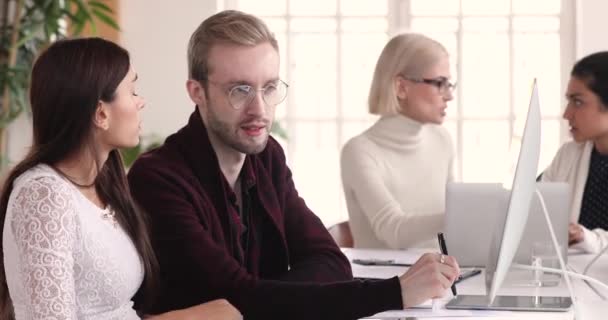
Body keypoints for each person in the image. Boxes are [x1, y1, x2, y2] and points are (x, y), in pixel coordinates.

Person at [127, 10, 460, 320]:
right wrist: (395, 292)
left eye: (269, 87)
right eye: (239, 90)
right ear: (197, 92)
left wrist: (268, 296)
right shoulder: (157, 179)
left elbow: (331, 262)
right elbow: (237, 300)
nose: (259, 109)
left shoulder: (266, 156)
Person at [0, 38, 241, 320]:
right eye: (133, 90)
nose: (141, 102)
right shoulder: (44, 195)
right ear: (101, 113)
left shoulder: (105, 187)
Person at [340, 33, 455, 250]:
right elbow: (393, 231)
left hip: (438, 276)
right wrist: (465, 215)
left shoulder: (442, 141)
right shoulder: (359, 152)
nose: (449, 95)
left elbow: (451, 223)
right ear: (401, 87)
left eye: (449, 84)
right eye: (440, 83)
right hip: (382, 281)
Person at [541, 51, 608, 254]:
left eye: (578, 102)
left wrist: (586, 238)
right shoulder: (568, 155)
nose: (566, 114)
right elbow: (535, 208)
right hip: (571, 277)